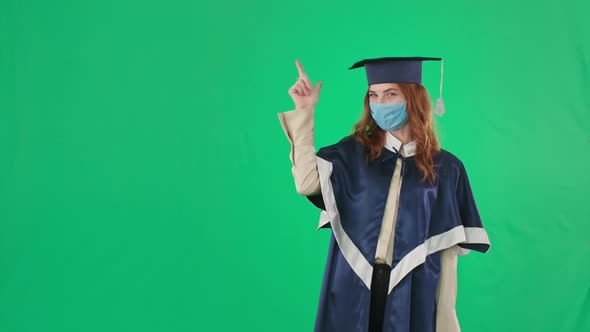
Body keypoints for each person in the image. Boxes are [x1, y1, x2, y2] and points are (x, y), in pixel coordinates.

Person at [277, 57, 491, 332]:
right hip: (354, 278)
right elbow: (306, 182)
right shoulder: (353, 153)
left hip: (414, 285)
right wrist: (305, 111)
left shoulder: (447, 168)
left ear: (413, 99)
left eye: (391, 94)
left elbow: (445, 250)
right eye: (374, 95)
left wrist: (447, 320)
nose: (381, 103)